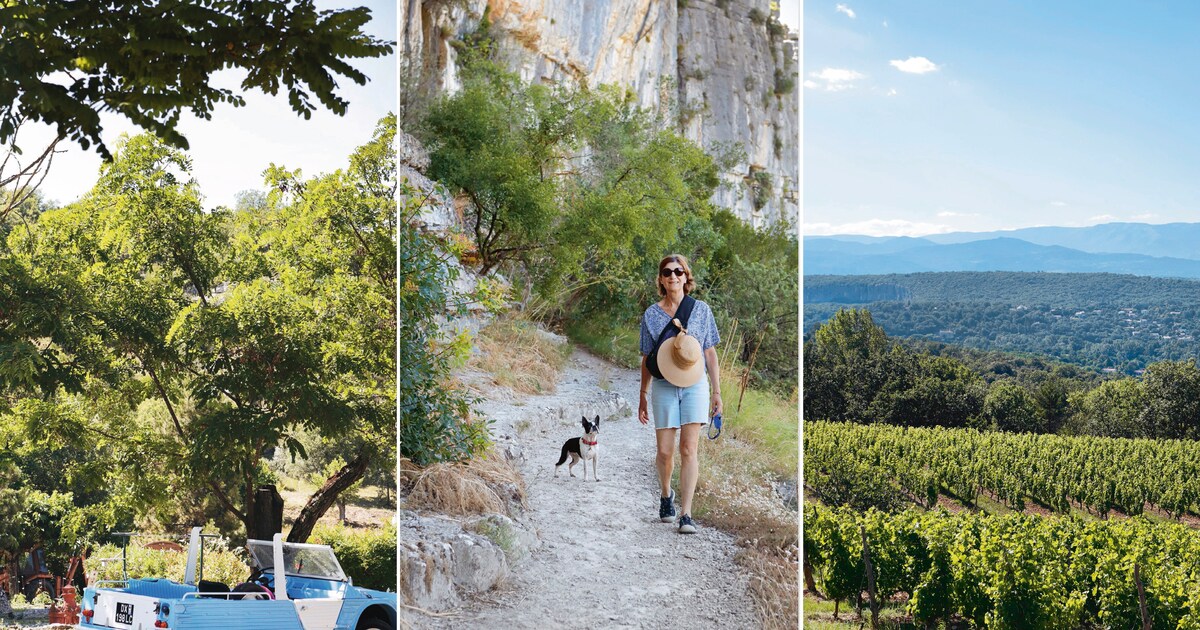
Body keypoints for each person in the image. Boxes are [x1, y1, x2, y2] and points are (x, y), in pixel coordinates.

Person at [637, 254, 721, 534]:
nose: (673, 276)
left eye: (678, 271)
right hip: (663, 383)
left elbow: (709, 351)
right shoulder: (651, 314)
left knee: (689, 448)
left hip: (695, 383)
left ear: (686, 277)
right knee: (664, 451)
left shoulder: (701, 310)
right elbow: (647, 356)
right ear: (661, 279)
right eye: (667, 272)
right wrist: (642, 395)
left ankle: (686, 513)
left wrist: (717, 393)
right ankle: (665, 494)